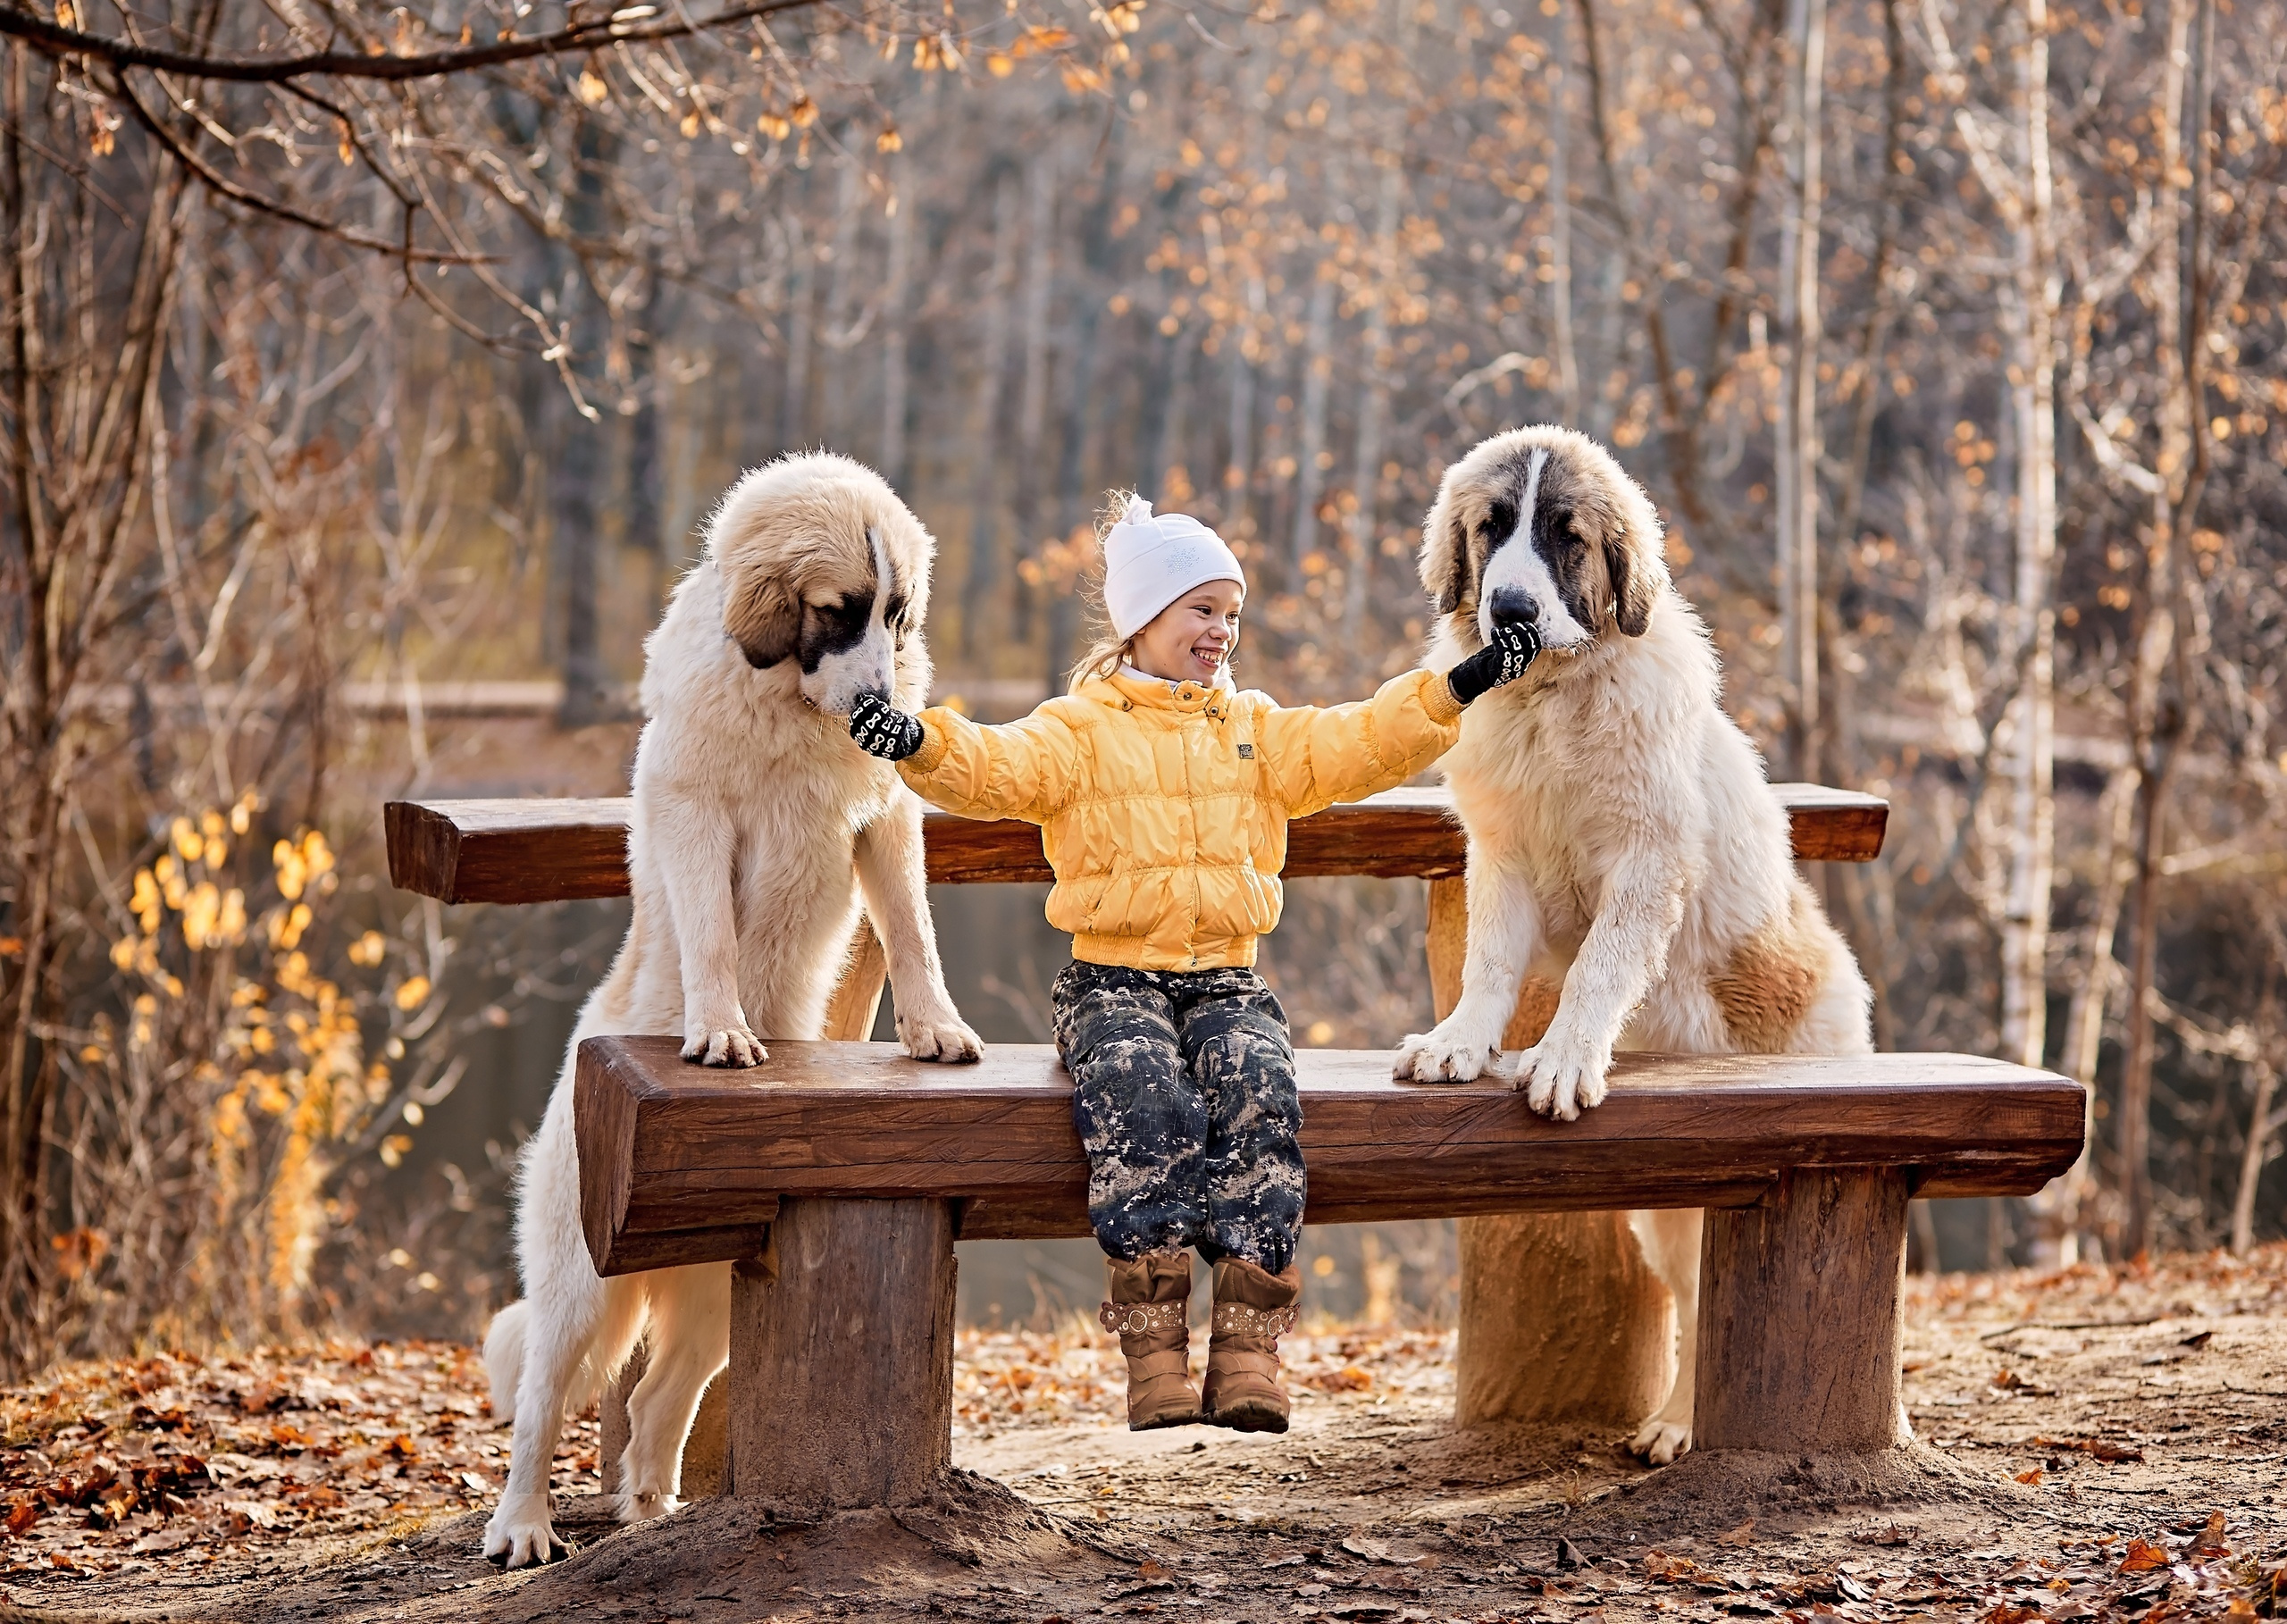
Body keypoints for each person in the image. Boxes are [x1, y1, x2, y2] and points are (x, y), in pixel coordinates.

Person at [849, 493, 1537, 1433]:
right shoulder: (1079, 729)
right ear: (1144, 619)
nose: (1223, 632)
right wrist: (918, 740)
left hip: (1224, 979)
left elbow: (1359, 740)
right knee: (1147, 1098)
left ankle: (1248, 1353)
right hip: (1109, 979)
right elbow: (996, 768)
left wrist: (1458, 684)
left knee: (1259, 1089)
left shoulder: (1254, 731)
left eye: (1232, 615)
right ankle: (1155, 1355)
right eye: (1202, 610)